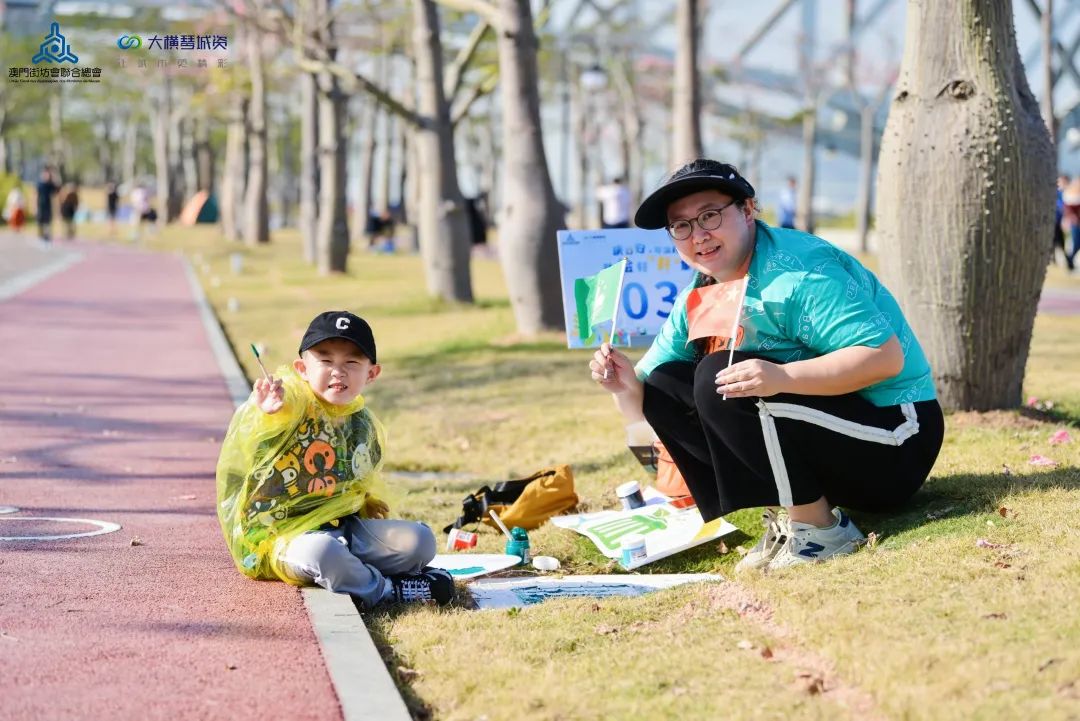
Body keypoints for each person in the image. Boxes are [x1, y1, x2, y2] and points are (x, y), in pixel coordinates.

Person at [589, 159, 944, 572]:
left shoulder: (801, 271)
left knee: (718, 376)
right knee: (668, 381)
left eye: (709, 215)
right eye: (680, 226)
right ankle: (794, 518)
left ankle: (822, 531)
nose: (698, 235)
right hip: (841, 444)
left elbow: (884, 357)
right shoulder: (701, 292)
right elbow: (649, 401)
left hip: (897, 440)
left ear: (747, 209)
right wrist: (624, 386)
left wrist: (781, 377)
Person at [215, 311, 454, 606]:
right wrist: (267, 413)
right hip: (282, 538)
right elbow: (259, 435)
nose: (338, 372)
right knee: (323, 553)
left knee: (421, 541)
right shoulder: (292, 403)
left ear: (371, 374)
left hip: (344, 528)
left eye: (351, 363)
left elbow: (358, 476)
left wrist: (366, 503)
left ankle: (358, 571)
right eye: (325, 361)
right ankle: (387, 590)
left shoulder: (361, 422)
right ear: (302, 369)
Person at [35, 167, 59, 243]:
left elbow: (57, 191)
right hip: (40, 205)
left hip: (48, 205)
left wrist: (54, 179)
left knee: (48, 222)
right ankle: (40, 235)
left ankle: (47, 235)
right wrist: (35, 206)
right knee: (40, 222)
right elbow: (36, 195)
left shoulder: (50, 185)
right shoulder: (40, 184)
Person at [1062, 176, 1080, 273]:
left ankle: (1070, 260)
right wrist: (1071, 217)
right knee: (1076, 242)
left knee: (1077, 243)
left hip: (1076, 222)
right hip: (1075, 223)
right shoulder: (1071, 195)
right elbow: (1068, 210)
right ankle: (1069, 260)